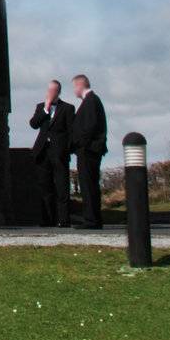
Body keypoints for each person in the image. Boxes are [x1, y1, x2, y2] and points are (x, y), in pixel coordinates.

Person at [30, 80, 74, 227]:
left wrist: (66, 149)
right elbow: (33, 124)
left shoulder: (67, 108)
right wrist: (46, 109)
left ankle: (63, 219)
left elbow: (70, 131)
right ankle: (47, 218)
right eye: (48, 90)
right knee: (45, 186)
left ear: (58, 92)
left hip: (58, 151)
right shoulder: (40, 107)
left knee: (61, 186)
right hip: (43, 151)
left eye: (53, 90)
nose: (50, 93)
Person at [71, 74, 108, 228]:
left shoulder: (91, 101)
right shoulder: (92, 101)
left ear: (80, 85)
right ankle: (93, 218)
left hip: (89, 150)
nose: (74, 91)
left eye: (74, 87)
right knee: (89, 184)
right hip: (90, 149)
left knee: (88, 185)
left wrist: (80, 144)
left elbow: (90, 126)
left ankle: (91, 220)